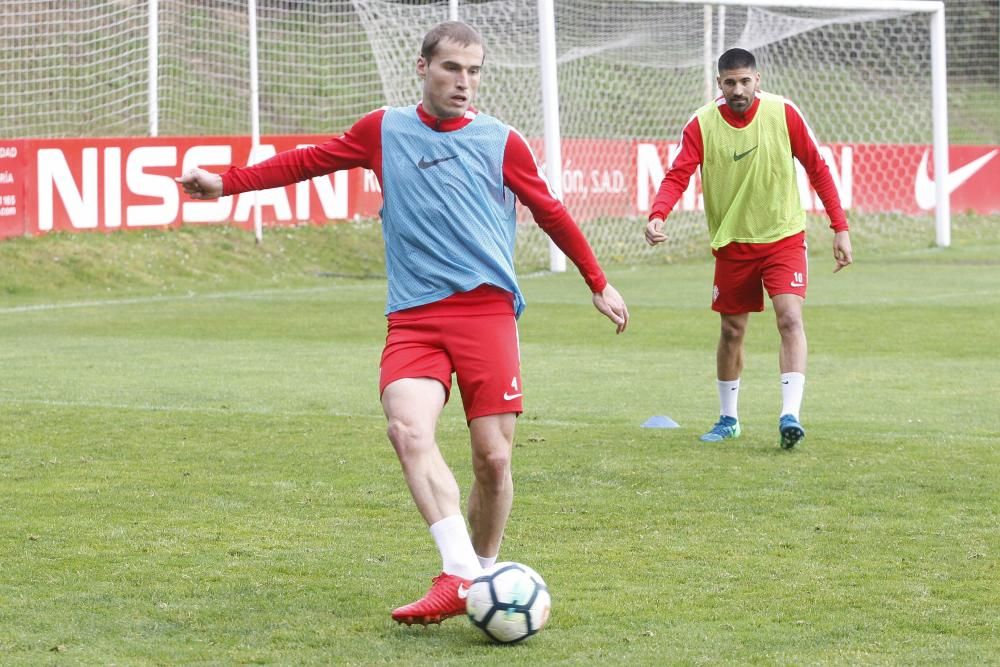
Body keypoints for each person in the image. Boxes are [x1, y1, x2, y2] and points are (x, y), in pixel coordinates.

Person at [177, 21, 628, 625]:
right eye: (452, 69)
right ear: (423, 68)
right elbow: (308, 162)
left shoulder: (502, 141)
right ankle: (460, 572)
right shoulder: (383, 129)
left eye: (474, 71)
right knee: (408, 432)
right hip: (414, 318)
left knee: (493, 461)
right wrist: (223, 185)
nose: (464, 82)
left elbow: (551, 211)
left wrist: (597, 281)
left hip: (486, 312)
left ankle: (480, 572)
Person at [644, 47, 852, 449]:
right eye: (729, 82)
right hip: (732, 242)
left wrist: (839, 227)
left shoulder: (784, 113)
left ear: (758, 80)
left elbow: (817, 168)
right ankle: (729, 419)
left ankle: (790, 413)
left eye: (744, 81)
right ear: (718, 84)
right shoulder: (702, 124)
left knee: (789, 318)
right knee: (731, 330)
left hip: (783, 236)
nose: (738, 89)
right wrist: (658, 214)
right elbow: (678, 174)